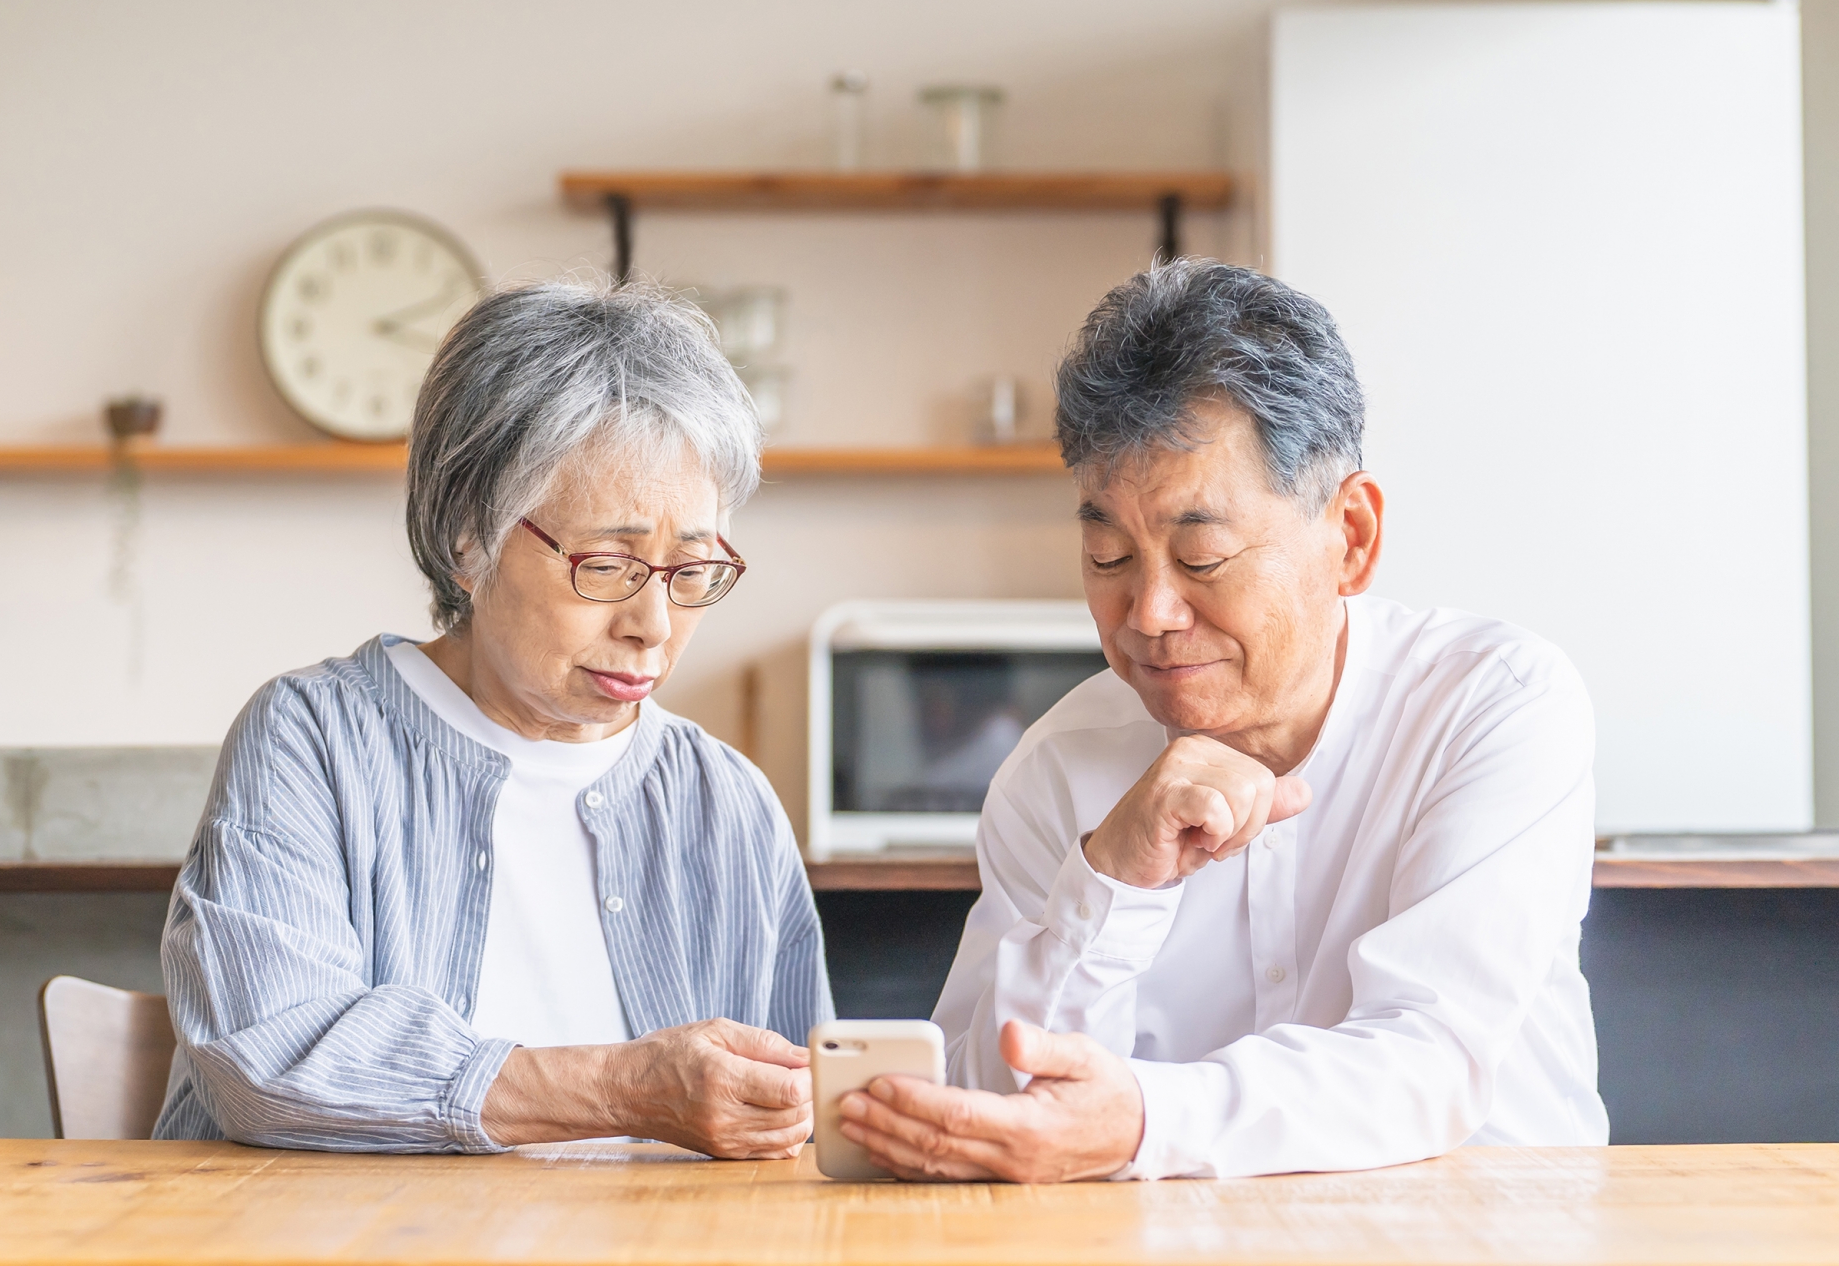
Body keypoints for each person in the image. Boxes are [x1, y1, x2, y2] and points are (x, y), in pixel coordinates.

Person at [836, 259, 1608, 1181]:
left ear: (1350, 536)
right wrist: (1109, 874)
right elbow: (997, 1111)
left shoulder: (1493, 704)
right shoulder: (1057, 772)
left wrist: (1145, 1121)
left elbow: (1430, 1059)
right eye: (1107, 553)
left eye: (1200, 557)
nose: (1148, 611)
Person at [153, 279, 832, 1156]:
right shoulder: (313, 740)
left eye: (691, 570)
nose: (653, 625)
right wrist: (630, 1088)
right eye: (607, 563)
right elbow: (275, 1057)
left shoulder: (724, 798)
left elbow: (803, 1128)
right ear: (469, 535)